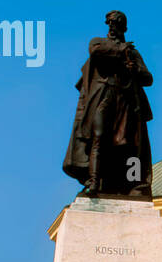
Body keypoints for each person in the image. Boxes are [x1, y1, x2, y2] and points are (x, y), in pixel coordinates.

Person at [62, 10, 154, 199]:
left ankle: (130, 183)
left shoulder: (133, 53)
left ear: (124, 27)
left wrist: (134, 69)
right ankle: (94, 182)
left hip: (125, 102)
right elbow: (96, 51)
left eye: (117, 23)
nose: (112, 26)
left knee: (128, 145)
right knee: (98, 137)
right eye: (110, 23)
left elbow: (148, 78)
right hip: (103, 97)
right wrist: (122, 51)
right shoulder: (100, 43)